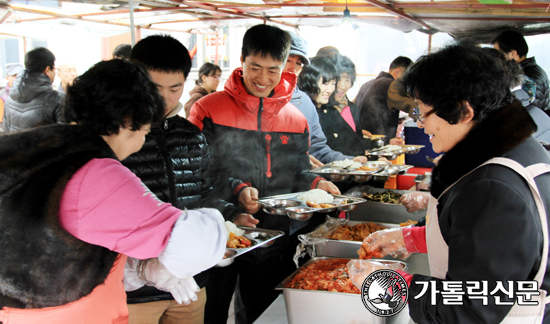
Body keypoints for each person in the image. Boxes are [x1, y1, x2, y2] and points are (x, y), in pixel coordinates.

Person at [0, 59, 226, 324]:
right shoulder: (94, 173)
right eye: (144, 131)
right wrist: (214, 219)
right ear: (129, 121)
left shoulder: (40, 146)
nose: (142, 142)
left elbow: (71, 241)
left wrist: (141, 268)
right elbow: (195, 240)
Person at [353, 42, 550, 323]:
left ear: (462, 111)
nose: (420, 124)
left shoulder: (495, 186)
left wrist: (393, 285)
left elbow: (469, 309)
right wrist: (410, 238)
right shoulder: (515, 147)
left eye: (422, 111)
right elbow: (487, 240)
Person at [188, 24, 339, 324]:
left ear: (284, 67)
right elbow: (198, 172)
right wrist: (238, 191)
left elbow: (299, 171)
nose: (263, 78)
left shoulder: (296, 119)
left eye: (273, 70)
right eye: (255, 67)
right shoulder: (208, 108)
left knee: (262, 314)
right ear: (241, 60)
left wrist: (317, 182)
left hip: (272, 236)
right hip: (220, 232)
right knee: (212, 312)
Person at [121, 34, 252, 324]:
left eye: (175, 88)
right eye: (154, 88)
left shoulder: (192, 136)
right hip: (134, 289)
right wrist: (141, 267)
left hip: (190, 281)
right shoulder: (120, 136)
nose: (165, 98)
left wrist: (231, 216)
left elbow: (203, 194)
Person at [284, 32, 367, 168]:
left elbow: (318, 149)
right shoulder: (261, 99)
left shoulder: (305, 102)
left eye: (298, 63)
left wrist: (349, 161)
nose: (293, 68)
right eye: (288, 60)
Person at [299, 56, 372, 157]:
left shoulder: (330, 110)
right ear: (310, 81)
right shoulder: (301, 111)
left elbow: (353, 141)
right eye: (325, 83)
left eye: (333, 83)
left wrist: (373, 155)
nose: (330, 89)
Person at [354, 56, 416, 143]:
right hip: (380, 147)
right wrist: (423, 118)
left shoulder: (366, 85)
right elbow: (414, 107)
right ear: (398, 72)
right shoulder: (392, 85)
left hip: (360, 144)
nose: (407, 83)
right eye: (407, 78)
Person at [3, 47, 65, 132]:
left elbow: (6, 133)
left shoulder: (10, 98)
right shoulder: (59, 99)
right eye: (54, 69)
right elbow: (65, 137)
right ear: (47, 70)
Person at [493, 30, 550, 115]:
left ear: (513, 53)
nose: (496, 58)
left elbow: (526, 109)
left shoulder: (527, 76)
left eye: (498, 54)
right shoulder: (534, 69)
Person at [0, 63, 24, 131]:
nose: (18, 78)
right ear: (7, 78)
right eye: (14, 76)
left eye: (20, 75)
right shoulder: (2, 95)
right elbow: (1, 121)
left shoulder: (31, 91)